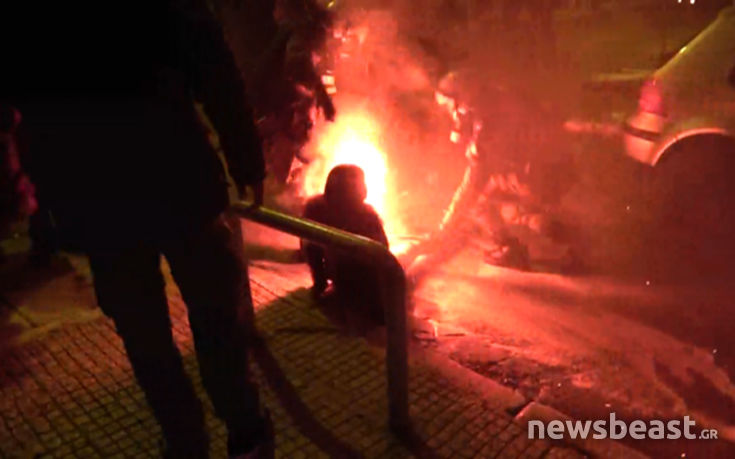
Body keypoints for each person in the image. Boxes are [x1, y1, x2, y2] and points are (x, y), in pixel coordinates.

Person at [2, 1, 272, 457]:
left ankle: (195, 439)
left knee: (158, 335)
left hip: (101, 198)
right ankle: (239, 433)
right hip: (173, 180)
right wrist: (244, 156)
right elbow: (212, 63)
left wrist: (44, 198)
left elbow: (22, 100)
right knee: (210, 320)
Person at [302, 165, 389, 327]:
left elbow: (383, 256)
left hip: (362, 275)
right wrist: (320, 280)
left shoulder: (367, 216)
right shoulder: (316, 208)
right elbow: (310, 247)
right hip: (340, 271)